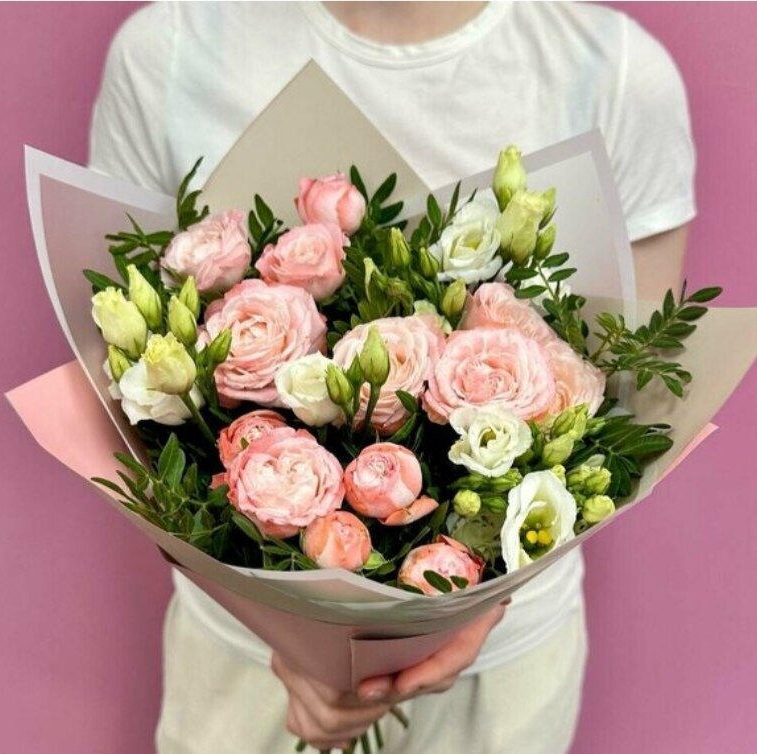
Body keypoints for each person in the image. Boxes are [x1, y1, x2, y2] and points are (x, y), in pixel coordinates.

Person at [89, 3, 695, 752]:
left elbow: (629, 404)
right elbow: (125, 389)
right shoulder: (171, 49)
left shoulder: (617, 74)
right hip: (244, 666)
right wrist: (305, 650)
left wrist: (464, 617)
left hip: (499, 678)